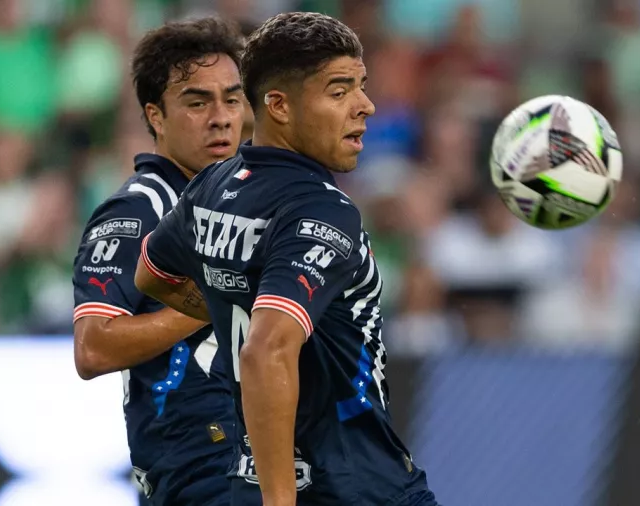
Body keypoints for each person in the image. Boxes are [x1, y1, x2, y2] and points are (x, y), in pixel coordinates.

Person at [135, 12, 439, 506]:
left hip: (248, 480)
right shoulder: (321, 209)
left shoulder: (214, 185)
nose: (365, 106)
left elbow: (151, 274)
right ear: (277, 105)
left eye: (361, 86)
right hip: (353, 485)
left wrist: (227, 304)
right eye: (339, 91)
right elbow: (265, 352)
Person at [70, 18, 246, 506]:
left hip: (263, 458)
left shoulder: (248, 201)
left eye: (232, 99)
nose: (221, 116)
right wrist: (212, 298)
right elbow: (93, 347)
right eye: (197, 102)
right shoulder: (138, 209)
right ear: (156, 116)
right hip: (201, 466)